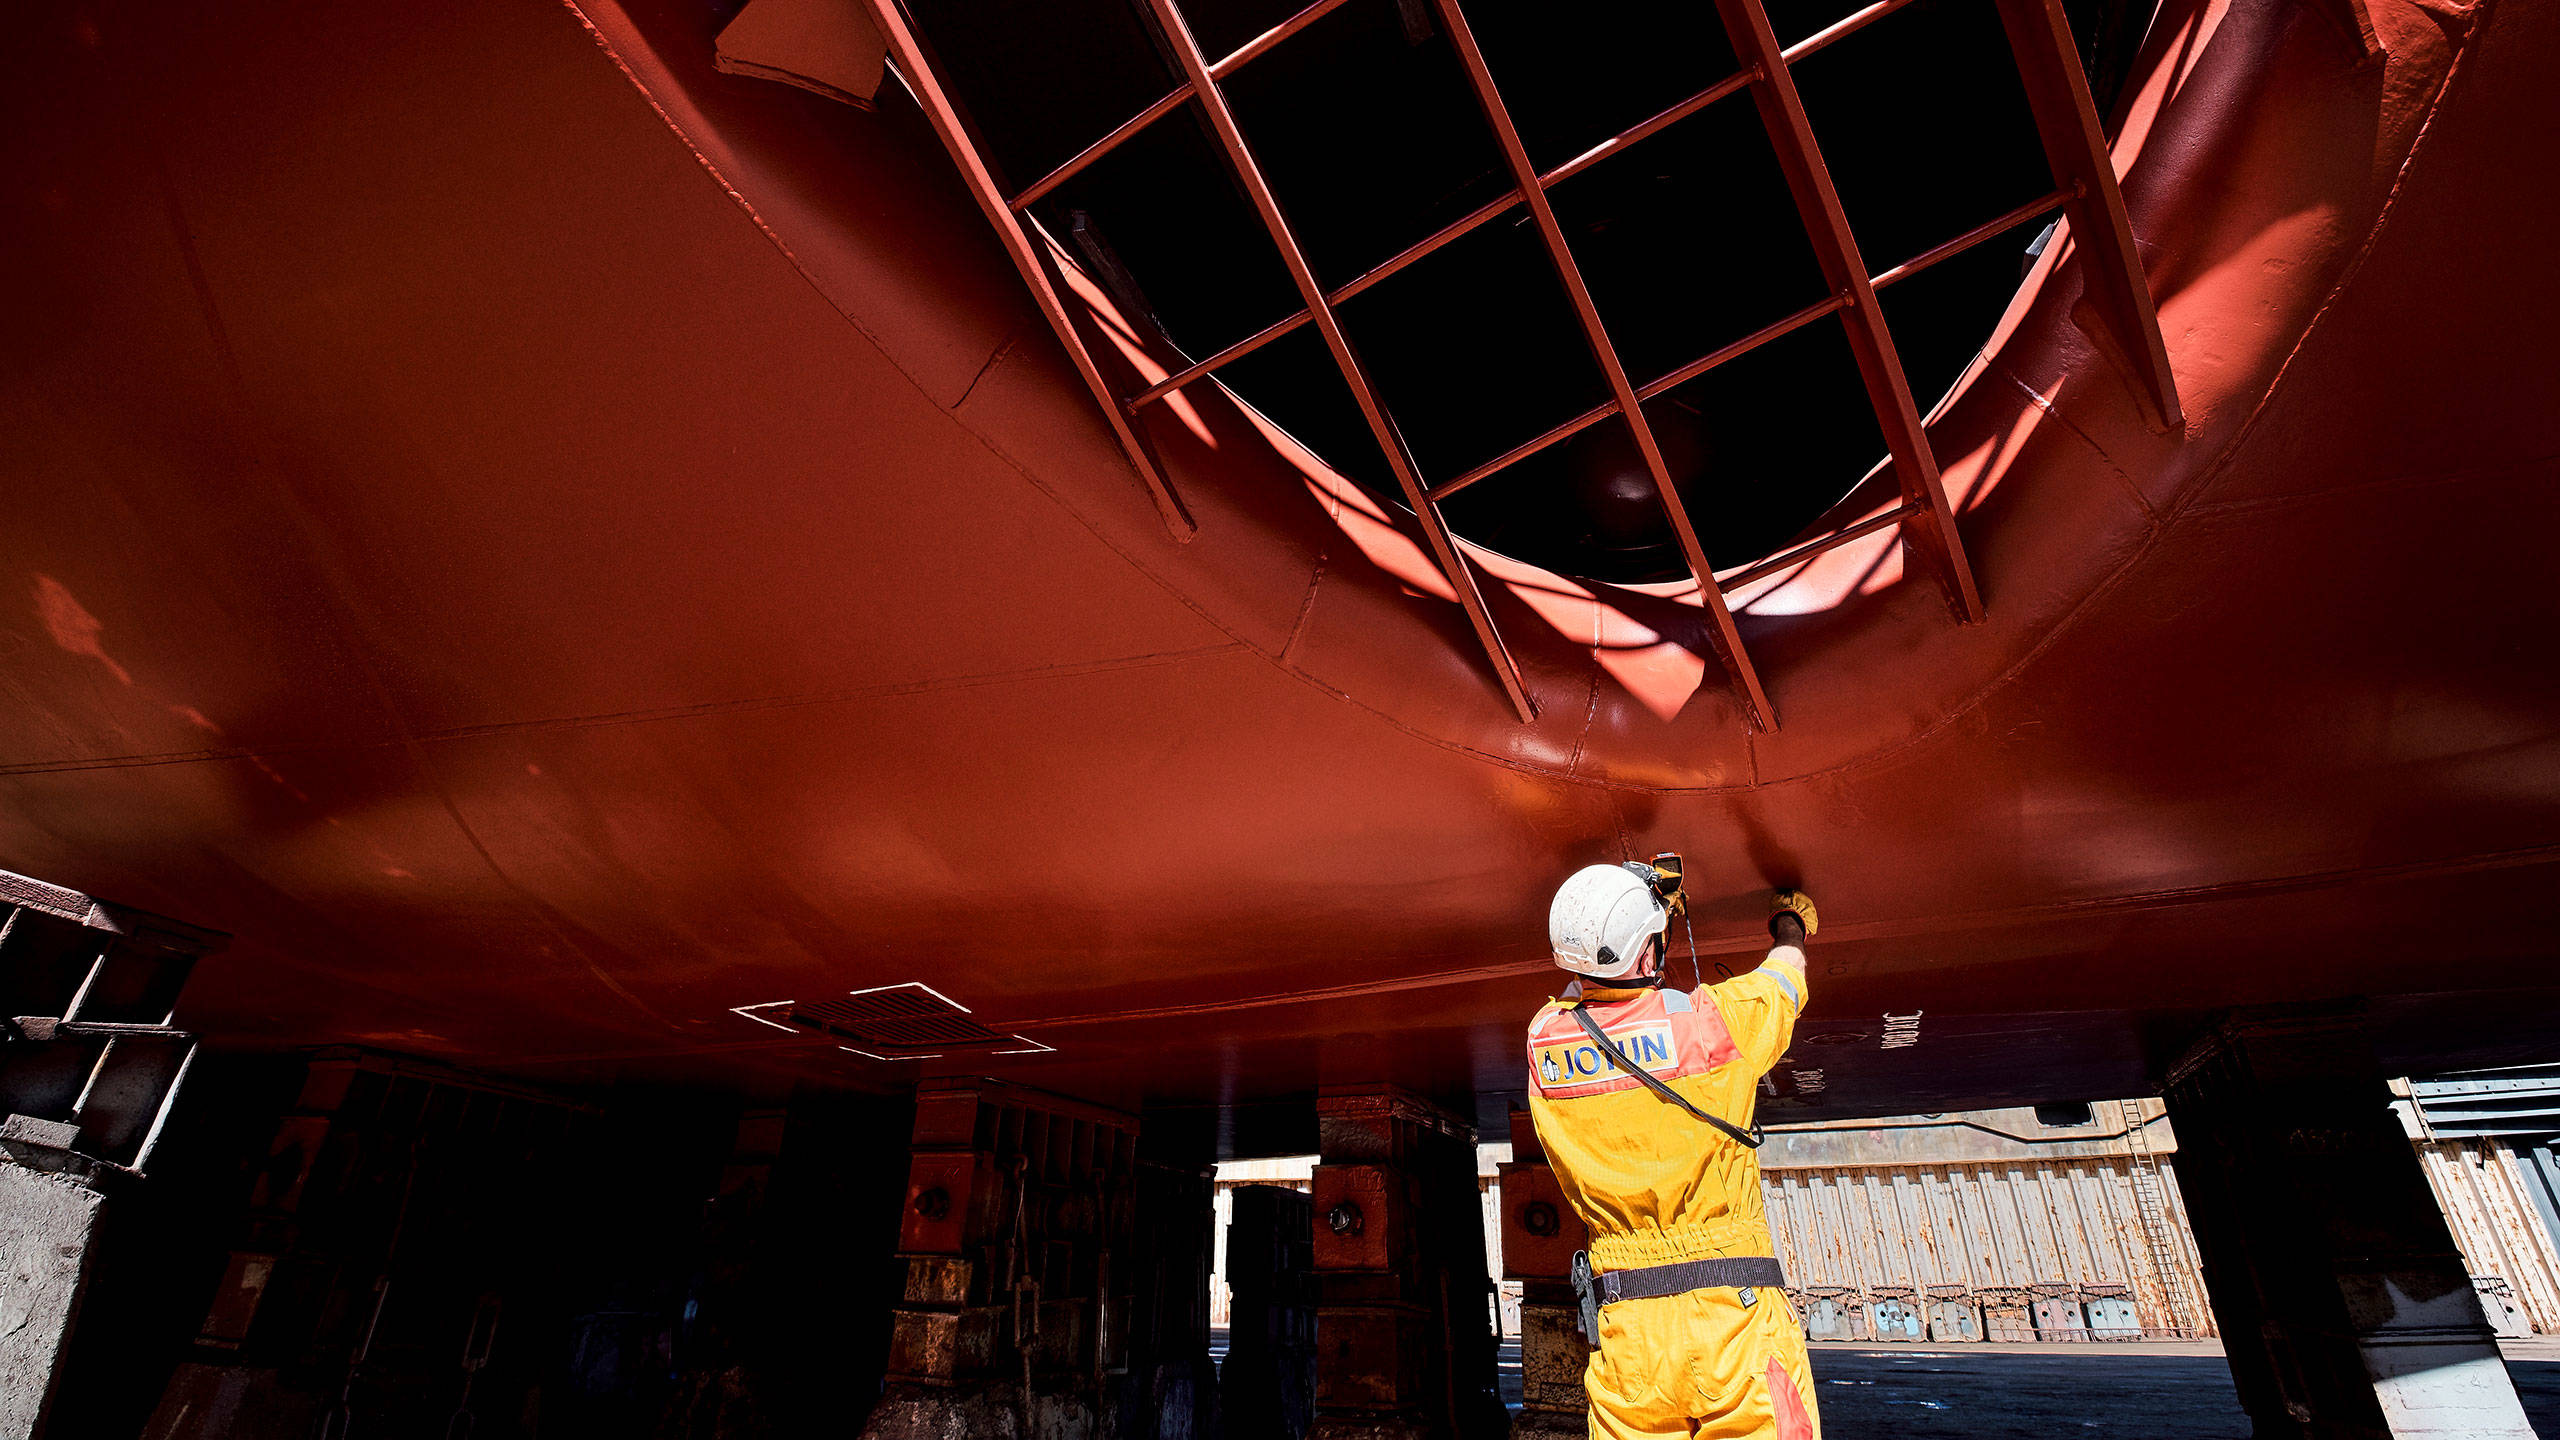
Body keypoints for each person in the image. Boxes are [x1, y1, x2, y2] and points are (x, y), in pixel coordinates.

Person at [1525, 857, 1821, 1440]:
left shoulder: (1545, 1045)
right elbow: (1785, 977)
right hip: (1731, 1322)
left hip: (1628, 1336)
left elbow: (1577, 995)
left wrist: (1641, 921)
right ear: (1644, 951)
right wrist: (1791, 920)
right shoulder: (1714, 1025)